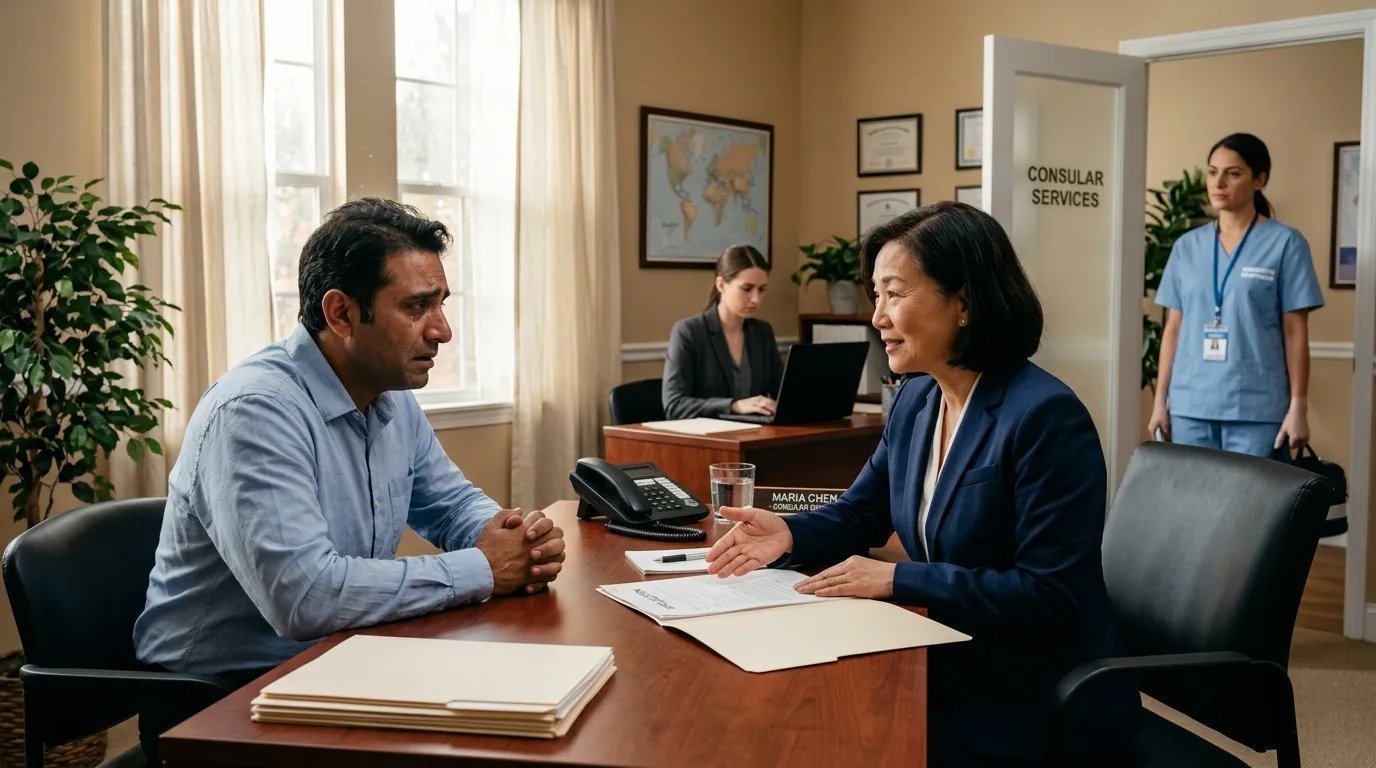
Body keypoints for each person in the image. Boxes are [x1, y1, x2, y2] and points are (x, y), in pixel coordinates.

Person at [705, 203, 1138, 766]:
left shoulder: (1046, 417)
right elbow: (861, 512)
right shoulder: (917, 400)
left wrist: (899, 578)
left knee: (839, 736)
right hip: (949, 650)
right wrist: (785, 534)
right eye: (876, 295)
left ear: (963, 304)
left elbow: (1047, 596)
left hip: (1033, 687)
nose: (877, 317)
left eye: (895, 293)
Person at [132, 198, 566, 759]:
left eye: (441, 303)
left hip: (338, 663)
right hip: (220, 702)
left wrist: (514, 538)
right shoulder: (254, 412)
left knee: (527, 720)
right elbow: (305, 598)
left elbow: (450, 504)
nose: (443, 330)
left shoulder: (387, 395)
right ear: (339, 314)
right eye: (416, 307)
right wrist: (486, 567)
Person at [1149, 133, 1324, 456]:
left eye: (1233, 173)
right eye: (1212, 171)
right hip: (1190, 406)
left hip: (1257, 410)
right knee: (1193, 505)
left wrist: (1298, 407)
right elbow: (1173, 328)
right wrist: (1160, 401)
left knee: (1253, 506)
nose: (1219, 182)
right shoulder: (1186, 247)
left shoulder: (1286, 244)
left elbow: (1295, 329)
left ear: (1260, 180)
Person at [662, 245, 784, 419]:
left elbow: (782, 392)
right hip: (708, 440)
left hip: (755, 436)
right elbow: (674, 406)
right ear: (721, 285)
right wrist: (734, 406)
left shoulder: (762, 332)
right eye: (747, 289)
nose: (756, 299)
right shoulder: (688, 332)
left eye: (762, 289)